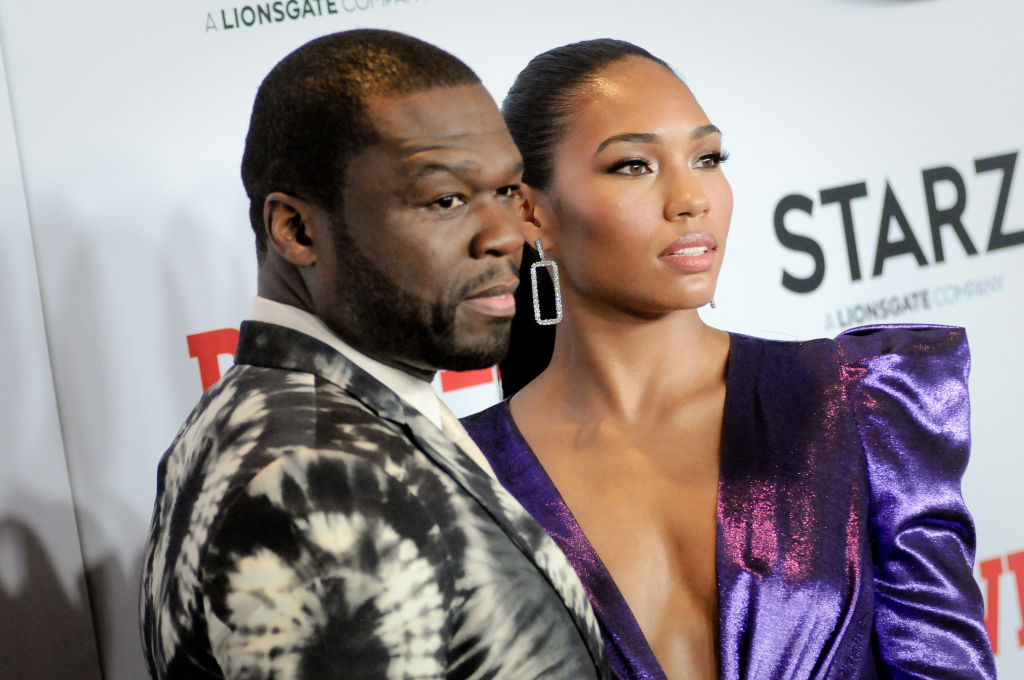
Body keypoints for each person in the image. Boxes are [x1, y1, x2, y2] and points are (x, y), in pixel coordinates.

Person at [461, 39, 996, 680]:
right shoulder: (461, 481)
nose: (692, 198)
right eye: (634, 166)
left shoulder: (859, 401)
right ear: (528, 209)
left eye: (707, 158)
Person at [139, 29, 611, 680]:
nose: (507, 236)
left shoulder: (270, 411)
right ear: (297, 230)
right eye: (446, 200)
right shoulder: (318, 483)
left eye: (507, 191)